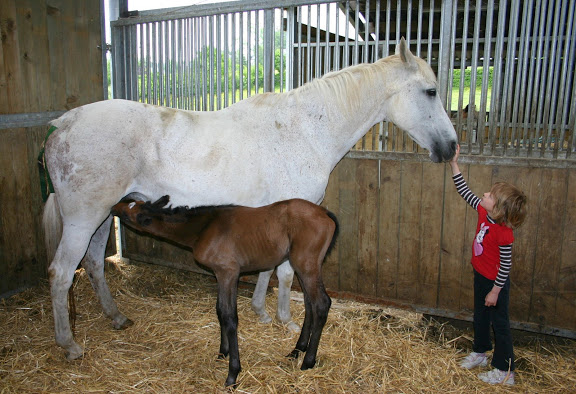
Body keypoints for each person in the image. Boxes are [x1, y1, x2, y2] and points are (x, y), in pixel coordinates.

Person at [449, 144, 527, 385]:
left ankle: (505, 371)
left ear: (500, 209)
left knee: (500, 325)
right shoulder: (484, 211)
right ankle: (480, 352)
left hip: (496, 284)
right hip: (481, 275)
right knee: (481, 317)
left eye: (490, 196)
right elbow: (464, 190)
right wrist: (454, 163)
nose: (484, 194)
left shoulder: (504, 234)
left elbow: (505, 266)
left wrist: (495, 291)